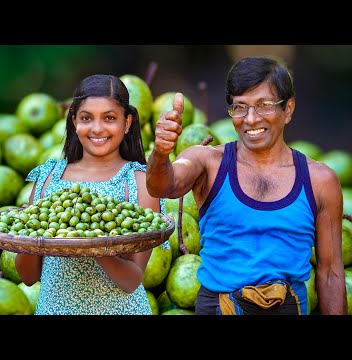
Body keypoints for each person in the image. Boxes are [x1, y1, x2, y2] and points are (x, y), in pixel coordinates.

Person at [146, 56, 347, 315]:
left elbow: (330, 273)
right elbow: (163, 186)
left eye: (263, 105)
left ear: (288, 109)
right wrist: (161, 153)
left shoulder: (321, 181)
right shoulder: (207, 162)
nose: (250, 119)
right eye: (240, 107)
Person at [15, 74, 165, 315]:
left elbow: (131, 281)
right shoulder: (48, 179)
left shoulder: (137, 182)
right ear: (74, 121)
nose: (97, 128)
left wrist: (91, 243)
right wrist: (29, 234)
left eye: (109, 118)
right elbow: (28, 276)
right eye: (86, 118)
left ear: (126, 123)